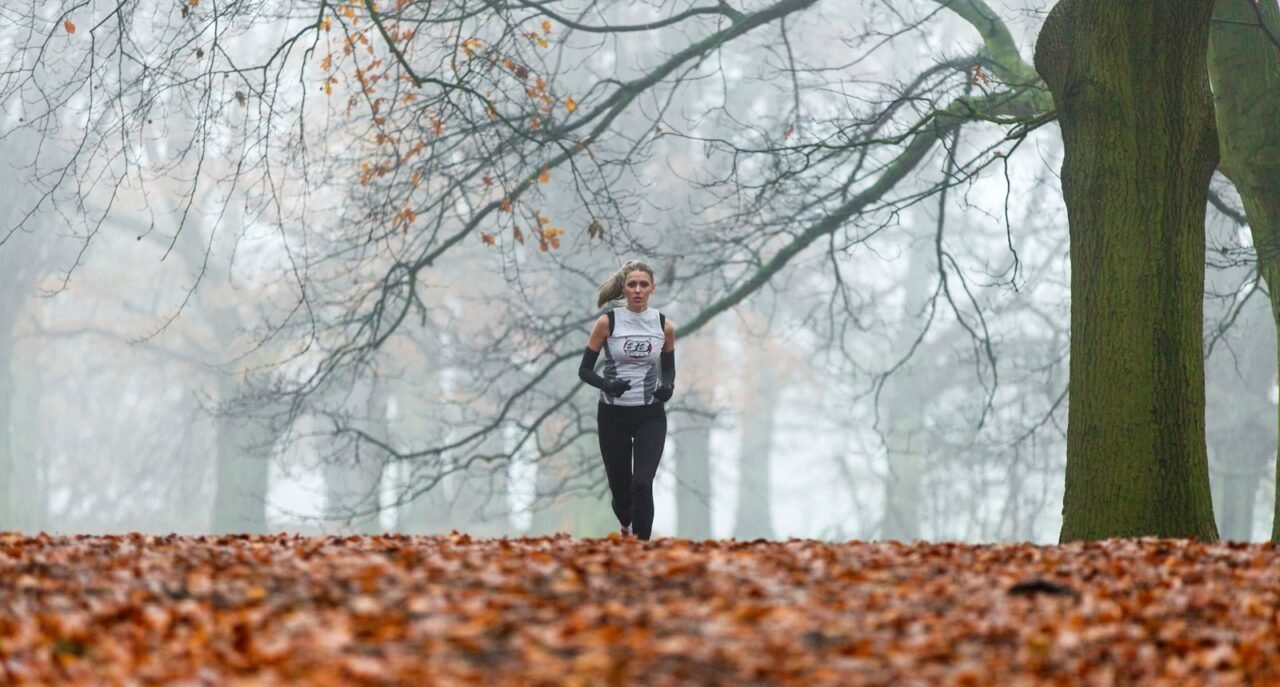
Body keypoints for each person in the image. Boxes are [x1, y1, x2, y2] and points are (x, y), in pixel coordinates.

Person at [577, 260, 676, 541]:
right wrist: (607, 383)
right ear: (624, 288)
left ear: (652, 288)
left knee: (642, 485)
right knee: (622, 495)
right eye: (632, 284)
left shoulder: (663, 325)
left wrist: (667, 386)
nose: (637, 290)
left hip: (650, 415)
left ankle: (643, 551)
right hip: (613, 415)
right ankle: (626, 523)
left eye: (643, 284)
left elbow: (668, 368)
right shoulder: (608, 322)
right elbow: (584, 370)